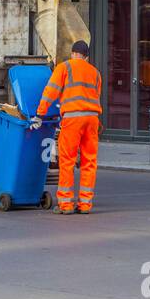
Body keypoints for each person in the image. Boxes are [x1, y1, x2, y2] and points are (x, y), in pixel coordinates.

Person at [32, 40, 103, 215]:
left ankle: (66, 204)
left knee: (67, 161)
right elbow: (96, 96)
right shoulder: (95, 73)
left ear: (72, 53)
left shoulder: (65, 68)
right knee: (89, 161)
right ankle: (85, 204)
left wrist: (40, 114)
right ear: (86, 57)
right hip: (92, 119)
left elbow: (51, 92)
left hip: (72, 119)